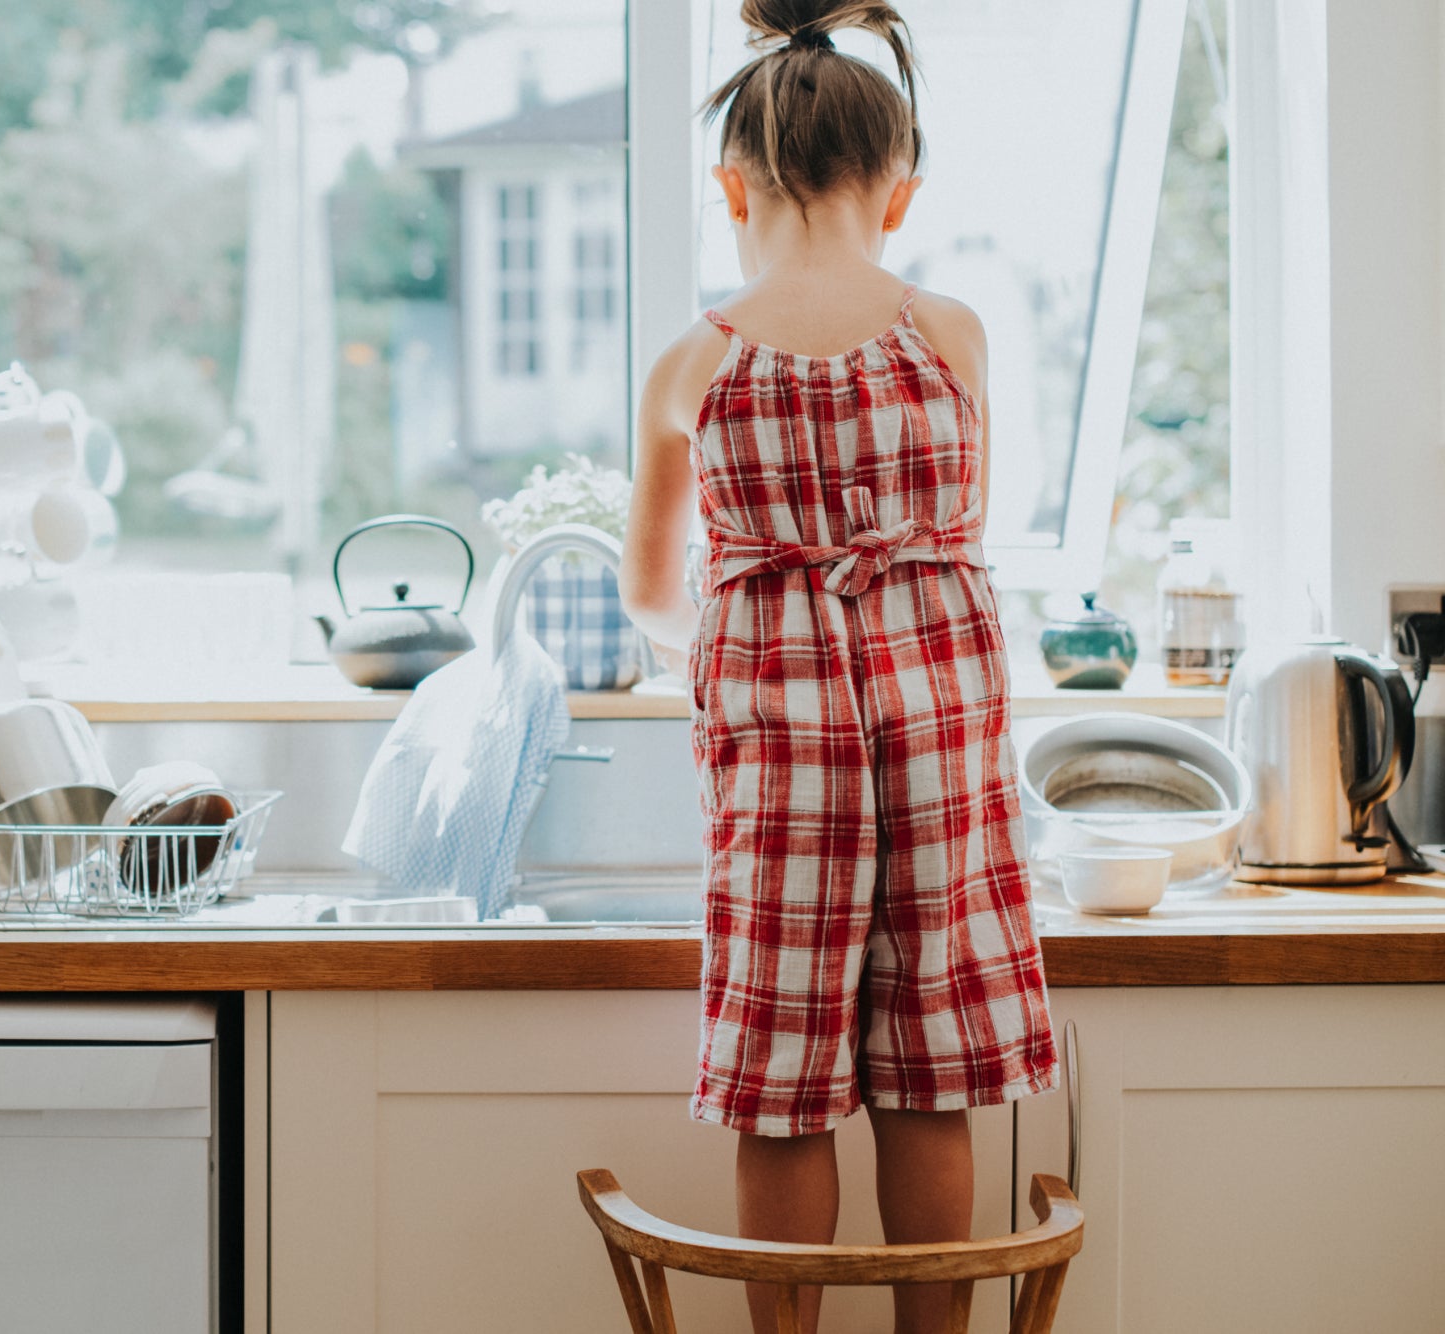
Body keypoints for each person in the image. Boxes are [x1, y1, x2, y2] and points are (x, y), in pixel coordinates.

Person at [619, 3, 1059, 1330]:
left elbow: (649, 594)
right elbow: (959, 528)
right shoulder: (954, 336)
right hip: (940, 737)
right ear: (901, 187)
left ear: (730, 185)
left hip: (784, 764)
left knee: (784, 1078)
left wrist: (760, 637)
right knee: (930, 1073)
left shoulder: (694, 362)